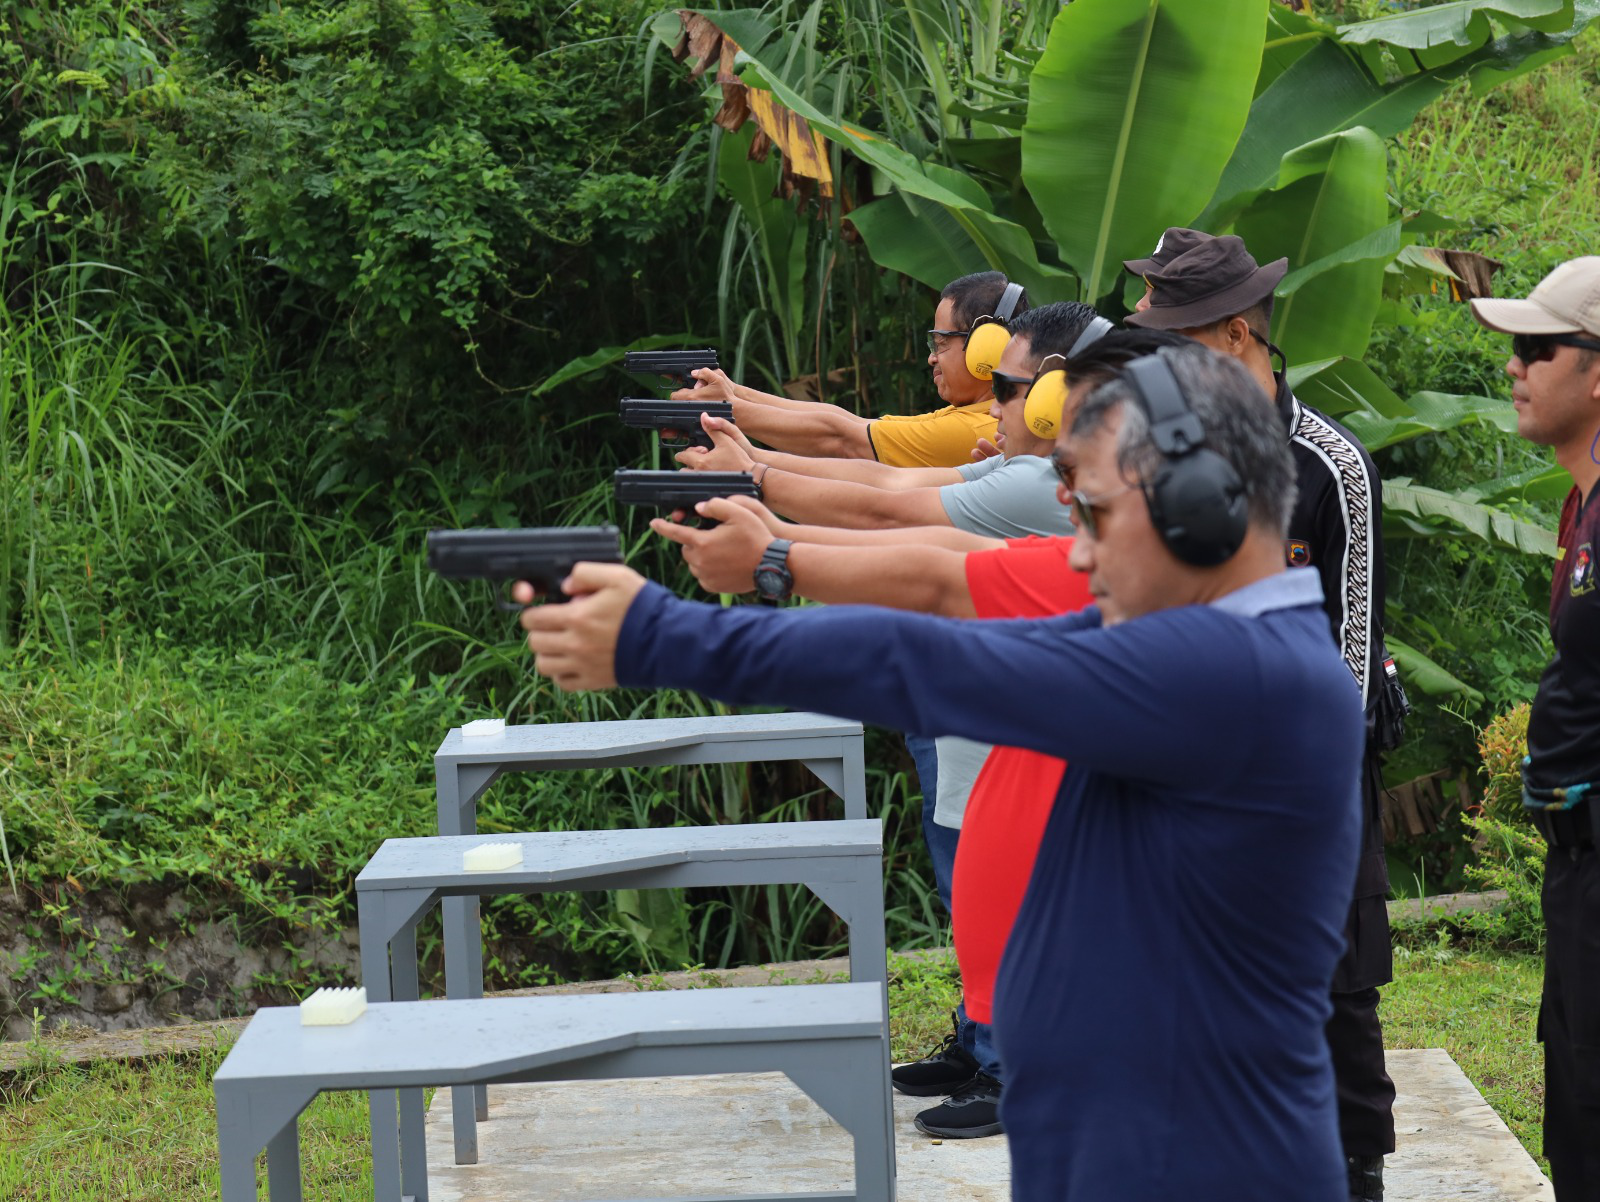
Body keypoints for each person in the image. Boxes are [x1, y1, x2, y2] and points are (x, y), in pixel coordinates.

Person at [517, 343, 1365, 1201]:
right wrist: (772, 556)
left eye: (1097, 515)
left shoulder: (1233, 675)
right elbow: (940, 631)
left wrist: (659, 636)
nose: (1077, 555)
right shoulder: (1211, 649)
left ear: (1201, 507)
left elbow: (919, 664)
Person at [668, 301, 1104, 1139]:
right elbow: (890, 498)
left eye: (1007, 388)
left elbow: (894, 517)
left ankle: (1013, 1063)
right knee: (973, 891)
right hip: (977, 717)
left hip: (1007, 730)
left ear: (1058, 399)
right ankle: (990, 1049)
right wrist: (763, 495)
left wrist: (770, 533)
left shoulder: (1039, 484)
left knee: (1006, 900)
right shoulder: (1031, 473)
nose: (990, 401)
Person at [1127, 231, 1399, 1202]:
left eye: (1178, 343)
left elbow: (1354, 653)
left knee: (1334, 1000)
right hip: (1201, 785)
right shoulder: (1166, 454)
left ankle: (1356, 1173)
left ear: (1237, 333)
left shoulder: (1329, 466)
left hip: (1315, 788)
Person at [1470, 257, 1600, 1200]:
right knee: (1575, 1101)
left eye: (1536, 347)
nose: (1514, 367)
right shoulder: (1581, 504)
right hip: (1576, 865)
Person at [673, 302, 1095, 540]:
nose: (995, 407)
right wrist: (744, 444)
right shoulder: (1019, 453)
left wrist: (751, 474)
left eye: (942, 343)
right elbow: (883, 479)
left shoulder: (1029, 469)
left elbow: (878, 498)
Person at [668, 272, 1026, 466]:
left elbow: (841, 439)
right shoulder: (972, 413)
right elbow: (850, 425)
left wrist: (724, 412)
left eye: (941, 343)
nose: (932, 356)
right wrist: (732, 393)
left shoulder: (982, 428)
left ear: (988, 346)